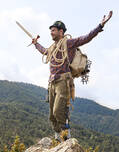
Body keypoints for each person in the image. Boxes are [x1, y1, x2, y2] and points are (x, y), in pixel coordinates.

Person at [32, 11, 113, 141]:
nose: (51, 32)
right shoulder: (53, 47)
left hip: (63, 80)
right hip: (52, 82)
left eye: (53, 30)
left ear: (61, 31)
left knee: (58, 110)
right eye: (51, 30)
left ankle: (66, 133)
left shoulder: (68, 43)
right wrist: (36, 44)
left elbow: (85, 38)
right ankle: (58, 136)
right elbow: (45, 52)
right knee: (52, 116)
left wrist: (100, 26)